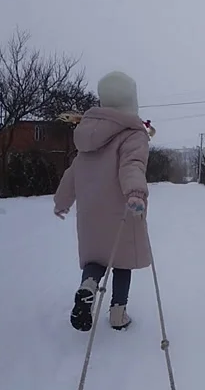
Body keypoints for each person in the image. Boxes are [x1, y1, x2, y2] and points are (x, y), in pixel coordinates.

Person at [54, 71, 151, 332]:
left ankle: (88, 287)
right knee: (122, 261)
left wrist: (62, 202)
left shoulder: (87, 134)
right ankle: (118, 313)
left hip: (90, 213)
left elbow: (73, 172)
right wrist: (135, 193)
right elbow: (132, 165)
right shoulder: (133, 134)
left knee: (96, 259)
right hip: (122, 209)